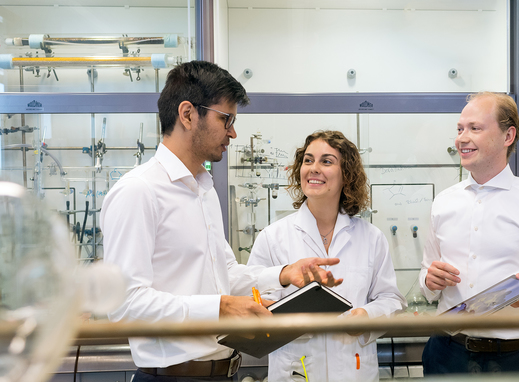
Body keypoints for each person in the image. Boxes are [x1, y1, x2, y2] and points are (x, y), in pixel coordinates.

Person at [102, 61, 342, 382]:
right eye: (225, 119)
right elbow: (123, 304)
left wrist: (284, 274)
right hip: (171, 377)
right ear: (188, 114)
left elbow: (224, 275)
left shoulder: (203, 189)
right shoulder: (139, 191)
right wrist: (221, 308)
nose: (233, 132)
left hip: (222, 373)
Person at [419, 92, 519, 375]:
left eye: (475, 128)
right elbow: (425, 278)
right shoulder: (443, 202)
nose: (461, 138)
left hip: (514, 360)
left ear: (508, 136)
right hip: (446, 355)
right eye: (460, 129)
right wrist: (429, 280)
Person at [247, 130, 406, 382]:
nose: (314, 168)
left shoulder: (371, 237)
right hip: (295, 370)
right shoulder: (273, 236)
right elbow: (254, 299)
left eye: (327, 161)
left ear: (347, 175)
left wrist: (366, 316)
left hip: (354, 369)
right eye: (308, 160)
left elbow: (391, 299)